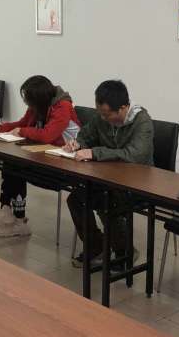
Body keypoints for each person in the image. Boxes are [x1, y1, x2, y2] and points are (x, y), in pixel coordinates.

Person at [64, 80, 154, 270]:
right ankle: (96, 247)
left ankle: (124, 251)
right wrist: (78, 144)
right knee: (76, 199)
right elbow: (86, 135)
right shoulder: (102, 117)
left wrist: (95, 152)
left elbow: (135, 155)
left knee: (107, 200)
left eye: (107, 114)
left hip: (136, 182)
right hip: (108, 177)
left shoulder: (142, 121)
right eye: (101, 113)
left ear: (123, 108)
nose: (103, 118)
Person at [0, 75, 81, 237]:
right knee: (13, 162)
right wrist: (1, 128)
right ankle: (8, 210)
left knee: (16, 166)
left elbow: (48, 135)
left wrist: (22, 131)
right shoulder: (39, 104)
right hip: (46, 155)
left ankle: (11, 214)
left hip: (66, 164)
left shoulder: (63, 106)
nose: (27, 104)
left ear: (39, 98)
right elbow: (23, 123)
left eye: (29, 101)